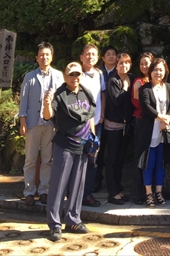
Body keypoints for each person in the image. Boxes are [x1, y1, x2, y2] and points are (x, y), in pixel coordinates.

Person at [43, 62, 96, 242]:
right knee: (58, 185)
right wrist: (46, 103)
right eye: (71, 74)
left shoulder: (86, 92)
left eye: (77, 74)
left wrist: (93, 138)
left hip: (83, 144)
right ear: (65, 76)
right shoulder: (60, 94)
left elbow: (90, 116)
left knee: (77, 185)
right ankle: (55, 224)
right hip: (65, 144)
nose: (75, 78)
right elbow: (48, 115)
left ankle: (73, 219)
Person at [18, 42, 63, 206]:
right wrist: (22, 122)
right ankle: (29, 191)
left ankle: (44, 190)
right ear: (36, 58)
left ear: (52, 57)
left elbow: (61, 100)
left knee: (47, 159)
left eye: (47, 54)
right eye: (41, 55)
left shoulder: (58, 76)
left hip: (51, 124)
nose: (44, 57)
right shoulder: (29, 76)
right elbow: (23, 101)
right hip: (32, 122)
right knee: (30, 159)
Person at [135, 57, 170, 207]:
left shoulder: (169, 87)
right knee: (148, 162)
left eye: (161, 70)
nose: (158, 73)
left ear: (165, 72)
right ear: (151, 71)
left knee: (161, 163)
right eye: (156, 70)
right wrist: (161, 117)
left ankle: (159, 191)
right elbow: (146, 106)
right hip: (149, 131)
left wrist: (167, 119)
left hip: (164, 131)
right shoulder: (145, 89)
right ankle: (148, 193)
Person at [104, 53, 133, 204]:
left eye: (126, 63)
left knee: (121, 159)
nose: (124, 65)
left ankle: (118, 190)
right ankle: (112, 193)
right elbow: (116, 101)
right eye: (121, 63)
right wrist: (126, 89)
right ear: (116, 65)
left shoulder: (132, 77)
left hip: (125, 126)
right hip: (113, 126)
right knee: (112, 159)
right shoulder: (112, 80)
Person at [80, 44, 106, 207]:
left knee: (92, 159)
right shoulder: (77, 73)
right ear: (81, 57)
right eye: (87, 54)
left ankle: (87, 194)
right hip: (79, 124)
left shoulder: (99, 74)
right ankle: (74, 192)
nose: (90, 57)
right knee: (77, 159)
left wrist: (102, 115)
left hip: (96, 123)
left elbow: (102, 94)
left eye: (93, 54)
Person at [131, 52, 153, 204]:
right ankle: (137, 193)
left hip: (155, 122)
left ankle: (152, 192)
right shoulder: (138, 81)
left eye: (147, 63)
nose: (144, 66)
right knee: (140, 157)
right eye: (142, 64)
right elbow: (137, 103)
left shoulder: (156, 79)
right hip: (141, 120)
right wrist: (137, 90)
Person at [95, 44, 118, 192]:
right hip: (98, 117)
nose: (111, 56)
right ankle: (96, 180)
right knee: (98, 150)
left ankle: (113, 184)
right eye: (108, 54)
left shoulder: (120, 72)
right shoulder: (97, 73)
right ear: (103, 58)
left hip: (114, 117)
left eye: (113, 54)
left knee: (113, 153)